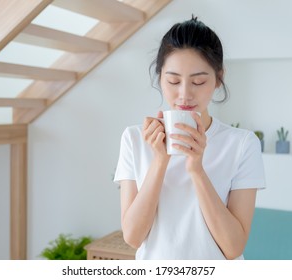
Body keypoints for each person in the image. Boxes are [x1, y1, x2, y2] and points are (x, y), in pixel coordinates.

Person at [113, 16, 265, 260]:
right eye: (173, 80)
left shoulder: (242, 144)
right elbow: (133, 237)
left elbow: (233, 247)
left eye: (198, 81)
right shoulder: (134, 139)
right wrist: (160, 161)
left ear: (218, 79)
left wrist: (196, 170)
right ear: (160, 77)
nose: (184, 94)